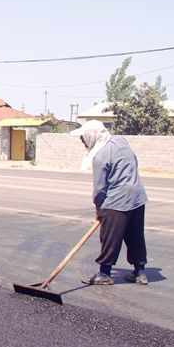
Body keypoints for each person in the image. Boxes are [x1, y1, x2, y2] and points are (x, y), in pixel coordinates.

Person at [70, 120, 148, 285]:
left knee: (109, 237)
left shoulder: (100, 156)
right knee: (135, 235)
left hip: (116, 200)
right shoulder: (120, 141)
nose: (81, 141)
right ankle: (140, 272)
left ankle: (105, 273)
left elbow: (100, 188)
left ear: (92, 136)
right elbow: (133, 162)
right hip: (138, 196)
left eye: (83, 137)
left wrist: (99, 209)